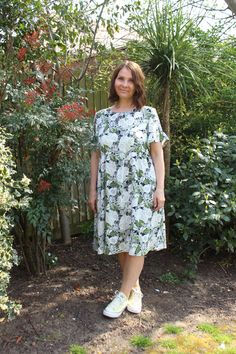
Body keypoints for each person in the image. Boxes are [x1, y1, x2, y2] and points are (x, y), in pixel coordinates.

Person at [88, 60, 169, 319]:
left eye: (130, 80)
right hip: (111, 190)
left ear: (137, 85)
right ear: (114, 82)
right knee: (122, 239)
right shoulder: (101, 117)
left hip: (140, 188)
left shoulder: (148, 114)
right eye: (120, 78)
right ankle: (135, 289)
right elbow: (95, 157)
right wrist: (92, 192)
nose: (124, 84)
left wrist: (160, 189)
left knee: (137, 241)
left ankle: (122, 294)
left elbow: (157, 156)